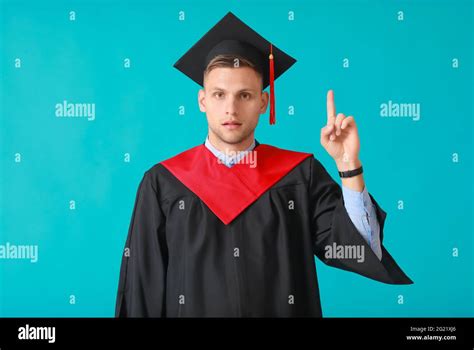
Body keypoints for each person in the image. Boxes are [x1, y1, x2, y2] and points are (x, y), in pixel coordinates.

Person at [115, 12, 412, 318]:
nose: (231, 108)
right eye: (219, 95)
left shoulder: (299, 175)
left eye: (244, 95)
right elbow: (141, 287)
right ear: (202, 101)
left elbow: (359, 250)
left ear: (263, 102)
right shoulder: (162, 183)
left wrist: (349, 166)